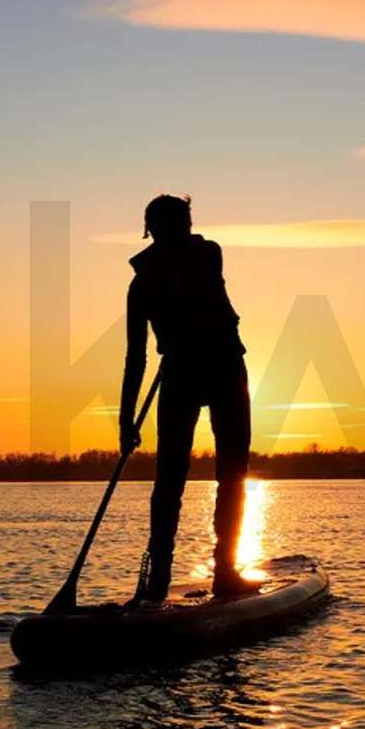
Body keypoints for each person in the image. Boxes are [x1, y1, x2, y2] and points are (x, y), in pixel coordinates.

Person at [119, 194, 261, 603]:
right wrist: (126, 421)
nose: (182, 234)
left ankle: (224, 573)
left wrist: (128, 419)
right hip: (189, 372)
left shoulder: (205, 256)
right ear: (155, 231)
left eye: (180, 226)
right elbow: (135, 356)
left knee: (231, 474)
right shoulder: (143, 283)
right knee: (170, 481)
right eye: (173, 227)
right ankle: (158, 581)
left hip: (221, 368)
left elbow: (193, 279)